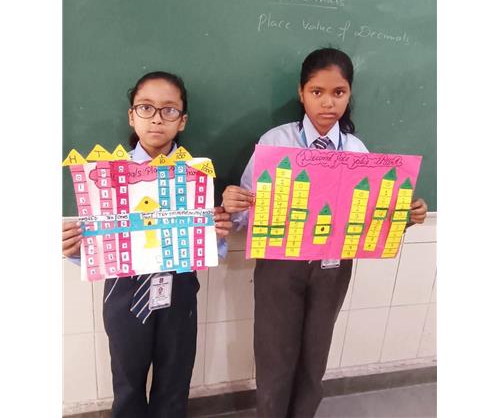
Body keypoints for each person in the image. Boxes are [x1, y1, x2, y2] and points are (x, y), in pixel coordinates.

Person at [222, 48, 428, 418]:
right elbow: (243, 214)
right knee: (274, 353)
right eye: (317, 92)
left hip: (333, 266)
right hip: (280, 264)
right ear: (301, 93)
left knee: (315, 354)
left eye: (339, 92)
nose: (328, 102)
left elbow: (371, 215)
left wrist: (405, 216)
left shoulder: (357, 150)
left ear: (349, 95)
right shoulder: (275, 142)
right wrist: (234, 203)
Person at [62, 71, 232, 418]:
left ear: (182, 120)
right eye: (146, 108)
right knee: (127, 384)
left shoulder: (197, 176)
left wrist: (217, 234)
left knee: (174, 383)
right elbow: (98, 244)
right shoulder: (104, 177)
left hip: (179, 292)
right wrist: (77, 248)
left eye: (169, 110)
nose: (157, 118)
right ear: (131, 115)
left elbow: (210, 247)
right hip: (124, 293)